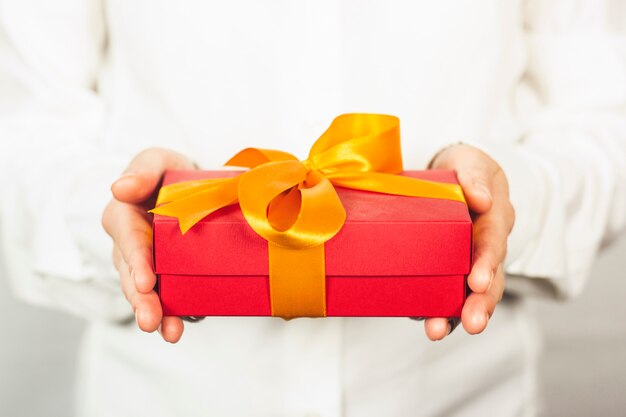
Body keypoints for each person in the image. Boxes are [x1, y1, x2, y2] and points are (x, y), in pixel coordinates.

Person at [1, 1, 624, 416]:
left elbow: (600, 118)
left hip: (468, 397)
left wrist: (512, 200)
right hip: (160, 395)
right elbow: (28, 128)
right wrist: (117, 213)